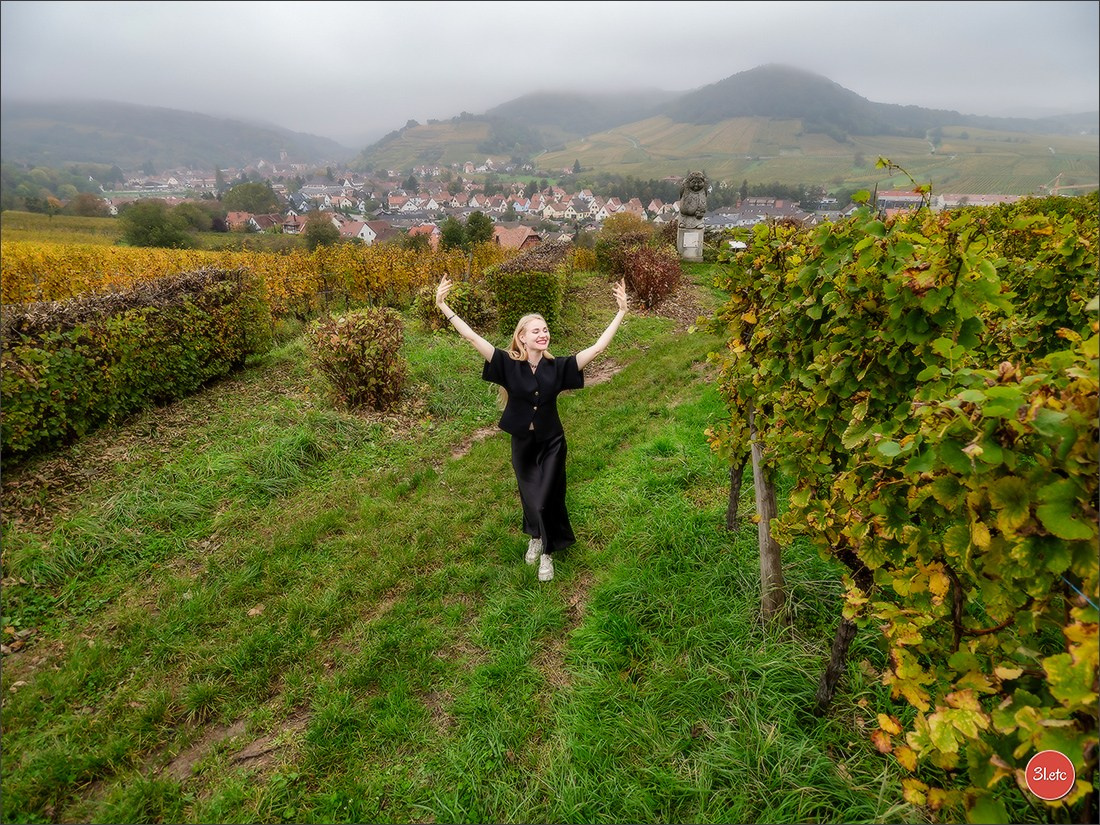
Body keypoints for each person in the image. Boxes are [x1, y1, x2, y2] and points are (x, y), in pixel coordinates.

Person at [435, 275, 629, 581]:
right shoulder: (508, 365)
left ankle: (547, 554)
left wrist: (620, 312)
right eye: (535, 331)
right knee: (530, 497)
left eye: (545, 330)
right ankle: (536, 537)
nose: (543, 334)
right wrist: (443, 305)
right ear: (522, 338)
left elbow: (597, 348)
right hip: (523, 445)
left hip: (552, 443)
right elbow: (473, 338)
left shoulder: (559, 367)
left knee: (546, 498)